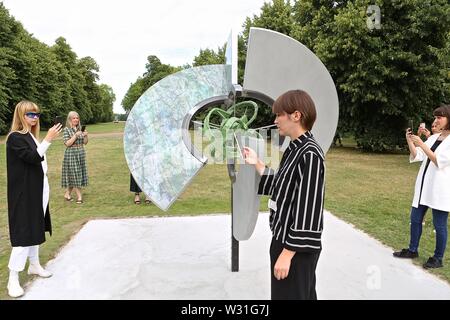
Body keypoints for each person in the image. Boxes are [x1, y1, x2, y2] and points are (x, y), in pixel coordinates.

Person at [243, 90, 325, 300]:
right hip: (284, 241)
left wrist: (287, 254)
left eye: (279, 114)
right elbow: (283, 187)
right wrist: (257, 163)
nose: (275, 120)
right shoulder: (295, 149)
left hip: (294, 249)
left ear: (295, 116)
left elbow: (309, 212)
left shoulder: (310, 154)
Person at [6, 101, 62, 298]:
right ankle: (13, 278)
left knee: (35, 227)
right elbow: (32, 158)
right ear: (21, 115)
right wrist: (48, 140)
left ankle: (34, 265)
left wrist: (43, 140)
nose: (34, 118)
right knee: (23, 233)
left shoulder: (30, 136)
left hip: (38, 190)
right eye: (30, 114)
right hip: (23, 193)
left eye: (37, 115)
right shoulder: (15, 137)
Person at [393, 105, 450, 269]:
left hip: (440, 190)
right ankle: (412, 250)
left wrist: (422, 143)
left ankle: (438, 258)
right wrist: (410, 141)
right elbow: (417, 155)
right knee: (415, 219)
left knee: (439, 225)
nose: (436, 120)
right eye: (435, 117)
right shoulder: (434, 138)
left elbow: (439, 161)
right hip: (424, 187)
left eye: (440, 117)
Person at [61, 111, 88, 204]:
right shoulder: (66, 130)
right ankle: (79, 196)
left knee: (75, 175)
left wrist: (85, 136)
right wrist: (75, 135)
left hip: (80, 153)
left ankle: (67, 194)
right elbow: (67, 143)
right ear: (69, 119)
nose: (76, 119)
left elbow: (85, 142)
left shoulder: (80, 129)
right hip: (71, 154)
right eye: (74, 118)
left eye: (77, 118)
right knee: (75, 174)